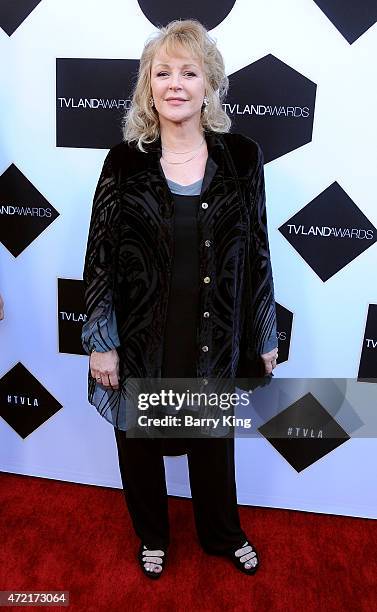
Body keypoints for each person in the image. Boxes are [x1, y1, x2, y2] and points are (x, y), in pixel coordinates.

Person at [82, 19, 278, 579]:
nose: (175, 84)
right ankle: (152, 535)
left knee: (212, 441)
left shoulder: (243, 158)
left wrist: (264, 334)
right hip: (144, 335)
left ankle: (222, 533)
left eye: (188, 72)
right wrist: (102, 344)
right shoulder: (123, 162)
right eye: (162, 72)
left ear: (209, 83)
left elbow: (259, 251)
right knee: (139, 444)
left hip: (215, 331)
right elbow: (98, 260)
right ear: (148, 85)